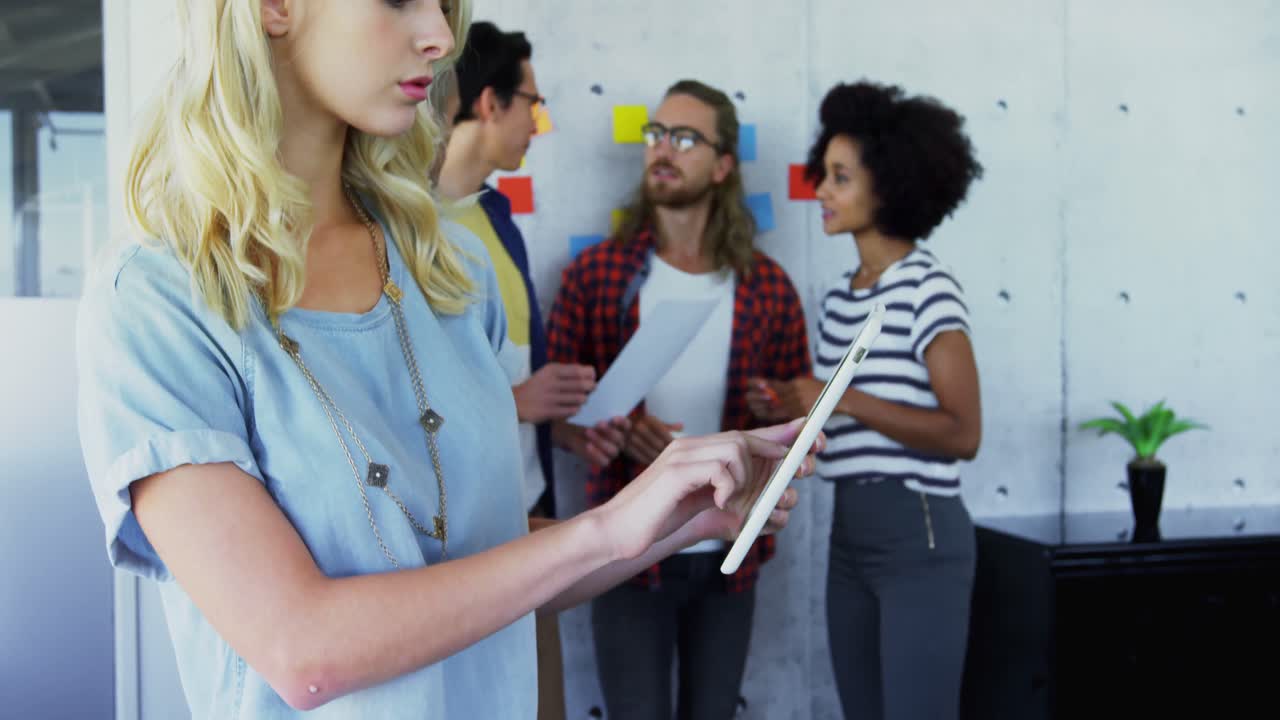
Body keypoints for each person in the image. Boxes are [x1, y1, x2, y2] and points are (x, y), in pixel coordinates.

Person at [74, 2, 817, 718]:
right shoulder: (158, 299)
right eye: (399, 0)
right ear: (273, 6)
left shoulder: (448, 271)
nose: (438, 36)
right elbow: (301, 650)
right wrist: (606, 528)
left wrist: (675, 517)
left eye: (443, 4)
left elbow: (485, 562)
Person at [546, 79, 812, 720]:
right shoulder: (597, 275)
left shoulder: (766, 286)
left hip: (730, 554)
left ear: (722, 165)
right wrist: (604, 434)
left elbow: (798, 422)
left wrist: (777, 410)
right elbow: (555, 422)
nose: (663, 148)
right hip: (625, 555)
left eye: (685, 138)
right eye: (656, 134)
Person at [749, 80, 984, 720]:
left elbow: (963, 433)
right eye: (823, 173)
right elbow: (843, 416)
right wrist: (792, 408)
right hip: (849, 535)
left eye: (840, 178)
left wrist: (840, 398)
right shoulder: (840, 297)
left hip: (920, 533)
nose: (820, 191)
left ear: (890, 186)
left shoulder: (928, 288)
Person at [433, 21, 627, 720]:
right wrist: (516, 401)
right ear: (489, 103)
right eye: (532, 105)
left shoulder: (496, 218)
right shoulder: (406, 228)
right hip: (452, 549)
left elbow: (507, 379)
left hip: (527, 524)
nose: (538, 125)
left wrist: (565, 430)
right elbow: (390, 403)